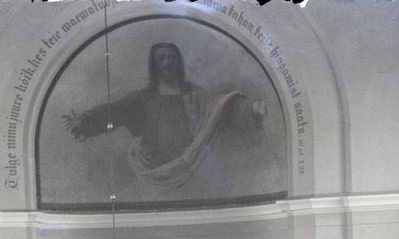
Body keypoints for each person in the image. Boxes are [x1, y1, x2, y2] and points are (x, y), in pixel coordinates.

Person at [63, 42, 267, 188]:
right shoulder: (141, 98)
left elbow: (219, 108)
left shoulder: (194, 94)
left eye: (171, 58)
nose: (167, 62)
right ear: (155, 64)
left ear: (178, 63)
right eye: (161, 58)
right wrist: (85, 120)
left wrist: (251, 108)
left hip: (192, 163)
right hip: (151, 166)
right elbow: (113, 111)